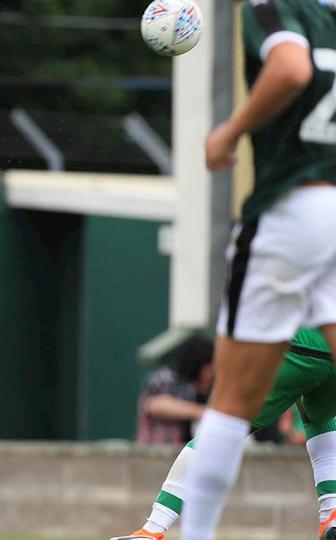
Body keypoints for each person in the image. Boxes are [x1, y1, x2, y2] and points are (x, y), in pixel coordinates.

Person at [180, 3, 336, 540]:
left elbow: (290, 69)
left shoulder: (273, 8)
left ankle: (192, 535)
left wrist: (229, 132)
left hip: (289, 213)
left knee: (230, 402)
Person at [113, 328, 336, 540]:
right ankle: (331, 514)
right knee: (321, 419)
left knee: (219, 432)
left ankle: (152, 530)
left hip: (297, 344)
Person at [137, 335, 214, 445]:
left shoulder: (207, 387)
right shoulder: (165, 377)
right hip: (158, 449)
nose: (211, 373)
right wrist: (199, 412)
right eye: (207, 367)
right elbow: (153, 405)